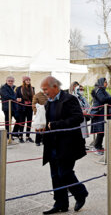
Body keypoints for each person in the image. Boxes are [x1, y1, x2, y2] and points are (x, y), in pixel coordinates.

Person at [40, 76, 88, 214]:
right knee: (55, 175)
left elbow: (78, 117)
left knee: (64, 173)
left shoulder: (69, 99)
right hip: (52, 144)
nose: (44, 92)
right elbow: (48, 121)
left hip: (68, 144)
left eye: (45, 89)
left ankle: (80, 193)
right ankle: (60, 204)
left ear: (55, 87)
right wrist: (42, 128)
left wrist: (56, 125)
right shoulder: (49, 102)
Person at [90, 78, 111, 155]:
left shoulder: (102, 90)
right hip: (99, 113)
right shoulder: (99, 90)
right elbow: (102, 99)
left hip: (102, 113)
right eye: (105, 82)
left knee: (101, 131)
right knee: (100, 131)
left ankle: (99, 146)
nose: (106, 84)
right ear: (101, 83)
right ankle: (96, 147)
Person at [15, 76, 35, 143]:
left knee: (29, 122)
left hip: (30, 107)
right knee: (22, 122)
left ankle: (27, 136)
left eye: (29, 80)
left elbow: (33, 98)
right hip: (22, 107)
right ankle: (20, 136)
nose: (28, 81)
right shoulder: (19, 88)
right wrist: (18, 99)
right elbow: (16, 97)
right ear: (23, 81)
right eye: (26, 80)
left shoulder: (32, 88)